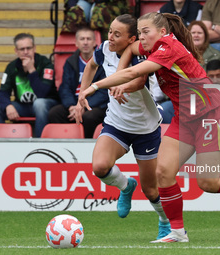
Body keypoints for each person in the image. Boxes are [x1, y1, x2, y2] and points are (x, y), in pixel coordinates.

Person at [76, 12, 220, 243]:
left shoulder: (168, 48)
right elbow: (130, 50)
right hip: (184, 118)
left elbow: (135, 73)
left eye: (146, 32)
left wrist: (94, 87)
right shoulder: (150, 45)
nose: (141, 38)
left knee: (208, 183)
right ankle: (178, 232)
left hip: (211, 115)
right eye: (140, 32)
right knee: (163, 172)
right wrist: (121, 70)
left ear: (163, 33)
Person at [74, 14, 171, 240]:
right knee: (99, 166)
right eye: (110, 31)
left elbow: (139, 80)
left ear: (131, 39)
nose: (111, 37)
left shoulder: (141, 53)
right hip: (117, 123)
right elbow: (90, 66)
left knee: (151, 190)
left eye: (117, 34)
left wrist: (123, 86)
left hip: (145, 128)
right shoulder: (105, 49)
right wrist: (80, 97)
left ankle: (166, 223)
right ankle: (126, 186)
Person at [0, 33, 59, 137]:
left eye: (28, 48)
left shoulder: (45, 63)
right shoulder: (12, 67)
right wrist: (8, 106)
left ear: (34, 48)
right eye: (22, 49)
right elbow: (3, 92)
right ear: (16, 51)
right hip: (23, 106)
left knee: (39, 104)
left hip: (47, 103)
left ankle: (40, 143)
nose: (26, 52)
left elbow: (42, 93)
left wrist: (32, 70)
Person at [48, 27, 109, 138]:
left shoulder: (102, 62)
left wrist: (84, 106)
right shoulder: (70, 62)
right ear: (76, 43)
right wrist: (72, 106)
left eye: (89, 39)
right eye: (82, 39)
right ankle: (65, 142)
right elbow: (64, 87)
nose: (85, 42)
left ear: (95, 43)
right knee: (55, 113)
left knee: (89, 117)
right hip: (74, 103)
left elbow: (104, 91)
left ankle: (86, 145)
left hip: (94, 106)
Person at [61, 0, 130, 40]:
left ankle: (107, 44)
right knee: (75, 12)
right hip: (87, 2)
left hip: (111, 3)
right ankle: (73, 48)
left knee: (99, 13)